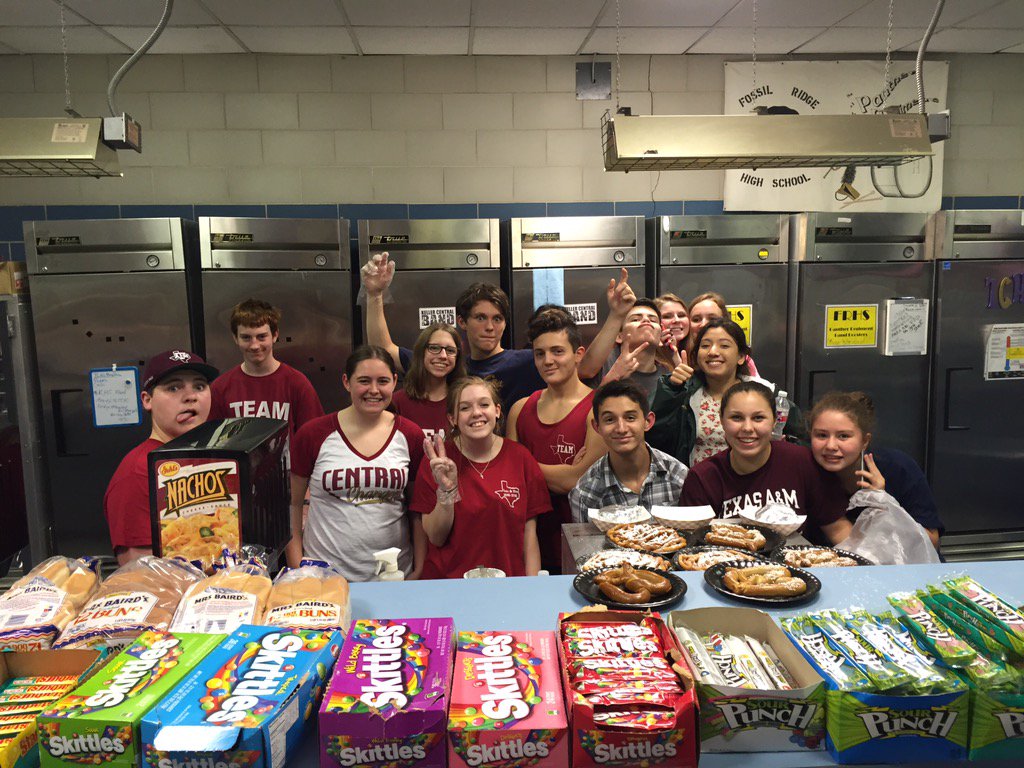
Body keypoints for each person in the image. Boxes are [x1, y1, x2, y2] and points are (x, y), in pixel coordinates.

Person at [287, 346, 425, 581]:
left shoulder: (411, 435)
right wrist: (297, 567)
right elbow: (292, 504)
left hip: (393, 578)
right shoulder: (313, 434)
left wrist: (419, 568)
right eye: (364, 381)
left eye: (383, 381)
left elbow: (417, 510)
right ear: (346, 382)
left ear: (394, 382)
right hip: (323, 578)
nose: (374, 390)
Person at [361, 252, 543, 414]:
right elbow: (384, 351)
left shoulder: (528, 362)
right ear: (462, 322)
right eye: (480, 318)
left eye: (497, 319)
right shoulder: (445, 363)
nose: (490, 327)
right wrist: (375, 294)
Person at [679, 381, 852, 546]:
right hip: (725, 564)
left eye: (758, 418)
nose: (747, 428)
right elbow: (691, 544)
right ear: (722, 421)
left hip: (794, 562)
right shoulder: (702, 477)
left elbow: (837, 529)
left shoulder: (802, 461)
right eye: (736, 418)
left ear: (775, 421)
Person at [411, 377, 547, 578]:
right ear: (452, 419)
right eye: (465, 408)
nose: (476, 413)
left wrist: (532, 585)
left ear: (497, 411)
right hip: (449, 583)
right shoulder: (438, 462)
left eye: (484, 404)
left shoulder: (521, 458)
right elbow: (436, 537)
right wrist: (447, 491)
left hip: (508, 582)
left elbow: (529, 536)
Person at [507, 307, 607, 573]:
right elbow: (510, 478)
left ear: (578, 354)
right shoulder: (520, 409)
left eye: (557, 351)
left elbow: (576, 481)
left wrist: (523, 463)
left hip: (580, 541)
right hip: (528, 539)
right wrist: (560, 471)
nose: (548, 360)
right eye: (540, 354)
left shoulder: (597, 410)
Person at [104, 350, 218, 565]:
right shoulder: (137, 472)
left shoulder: (212, 460)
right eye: (173, 388)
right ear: (147, 400)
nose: (191, 396)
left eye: (199, 386)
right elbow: (139, 571)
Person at [648, 318, 803, 466]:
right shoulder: (683, 391)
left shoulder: (765, 392)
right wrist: (672, 389)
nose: (713, 352)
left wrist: (785, 445)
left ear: (741, 356)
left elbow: (801, 437)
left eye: (724, 346)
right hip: (699, 480)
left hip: (755, 480)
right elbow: (655, 439)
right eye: (705, 345)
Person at [808, 391, 943, 548]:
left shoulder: (898, 467)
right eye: (821, 435)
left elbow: (931, 542)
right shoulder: (806, 469)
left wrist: (885, 506)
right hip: (840, 559)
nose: (831, 446)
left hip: (905, 561)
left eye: (843, 436)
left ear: (865, 441)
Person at [209, 298, 324, 446]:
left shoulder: (297, 383)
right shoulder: (220, 388)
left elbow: (315, 438)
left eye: (261, 336)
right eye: (246, 337)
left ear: (275, 335)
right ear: (235, 338)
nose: (254, 345)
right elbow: (212, 445)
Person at [569, 380, 688, 522]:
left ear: (648, 421)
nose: (621, 428)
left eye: (630, 418)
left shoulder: (679, 476)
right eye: (609, 419)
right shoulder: (585, 493)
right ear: (597, 427)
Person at [391, 321, 467, 438]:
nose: (443, 356)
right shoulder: (398, 402)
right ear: (421, 352)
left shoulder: (465, 400)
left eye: (450, 350)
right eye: (434, 348)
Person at [654, 292, 690, 366]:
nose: (677, 320)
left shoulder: (696, 355)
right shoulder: (649, 359)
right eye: (667, 316)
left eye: (681, 315)